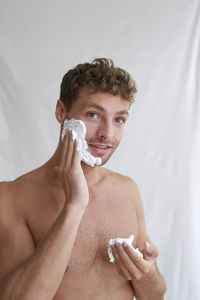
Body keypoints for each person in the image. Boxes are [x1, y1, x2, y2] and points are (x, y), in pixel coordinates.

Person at [0, 58, 166, 300]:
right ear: (61, 112)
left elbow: (155, 296)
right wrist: (74, 206)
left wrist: (148, 274)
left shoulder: (127, 190)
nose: (107, 134)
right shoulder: (13, 198)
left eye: (119, 119)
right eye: (93, 115)